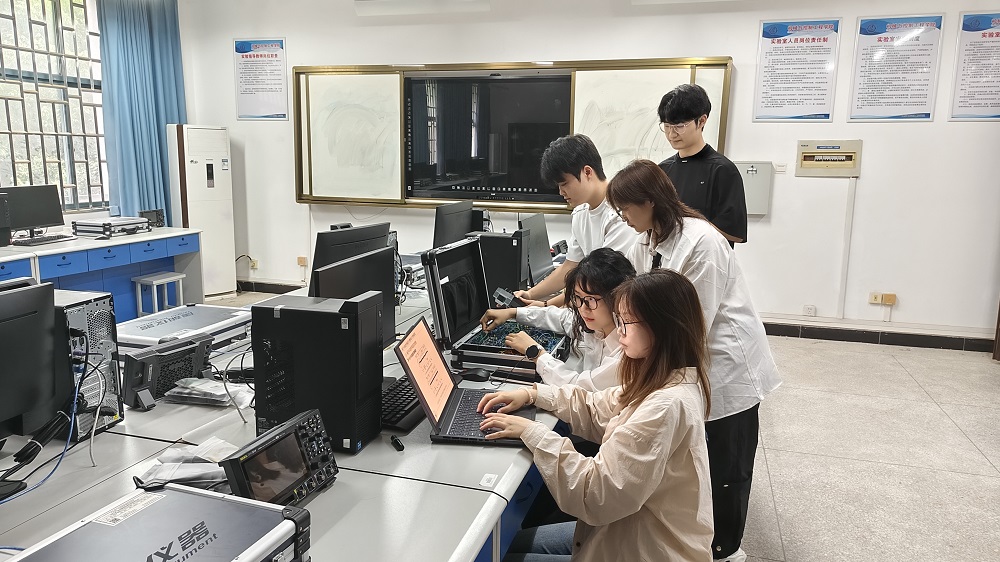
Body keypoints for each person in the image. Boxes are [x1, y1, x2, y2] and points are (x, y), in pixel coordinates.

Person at [607, 159, 781, 562]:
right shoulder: (645, 240)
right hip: (687, 362)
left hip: (727, 366)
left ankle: (727, 552)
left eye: (625, 208)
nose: (622, 217)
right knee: (697, 466)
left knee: (726, 468)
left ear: (650, 201)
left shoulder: (702, 242)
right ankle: (700, 545)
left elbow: (690, 323)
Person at [479, 269, 714, 562]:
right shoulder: (665, 377)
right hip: (631, 525)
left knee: (501, 555)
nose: (619, 331)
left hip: (648, 548)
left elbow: (595, 494)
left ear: (661, 327)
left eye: (626, 322)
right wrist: (533, 394)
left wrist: (534, 433)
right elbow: (595, 406)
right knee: (511, 545)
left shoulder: (664, 406)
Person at [479, 248, 636, 390]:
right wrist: (513, 312)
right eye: (577, 297)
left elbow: (581, 389)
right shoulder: (599, 325)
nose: (583, 308)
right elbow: (562, 317)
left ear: (618, 298)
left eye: (591, 299)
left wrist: (536, 353)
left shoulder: (627, 351)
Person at [515, 134, 637, 308]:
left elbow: (601, 283)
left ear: (587, 172)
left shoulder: (621, 215)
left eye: (564, 184)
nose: (561, 192)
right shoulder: (580, 213)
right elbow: (570, 266)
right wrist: (530, 294)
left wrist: (545, 306)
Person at [657, 83, 747, 248]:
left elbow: (735, 232)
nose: (671, 134)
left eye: (679, 126)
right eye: (667, 126)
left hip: (705, 259)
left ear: (702, 121)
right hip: (667, 259)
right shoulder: (662, 170)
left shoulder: (722, 170)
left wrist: (686, 230)